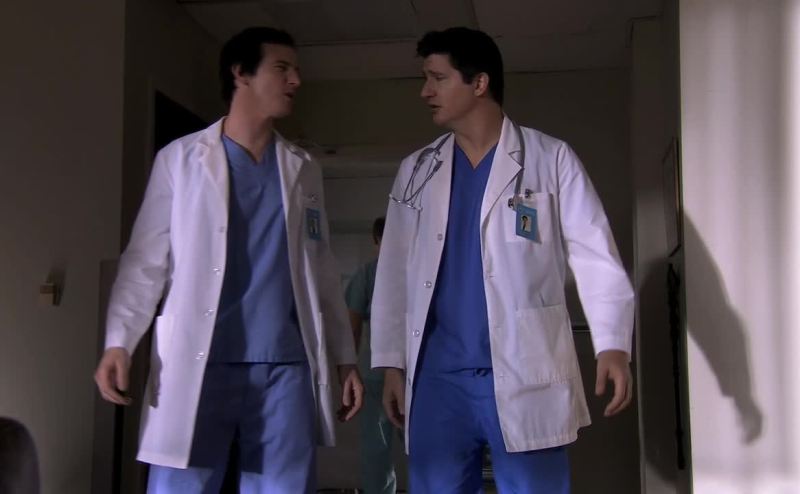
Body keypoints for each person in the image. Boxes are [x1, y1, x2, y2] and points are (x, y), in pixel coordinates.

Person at [93, 26, 363, 493]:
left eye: (296, 70)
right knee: (182, 486)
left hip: (285, 363)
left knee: (284, 487)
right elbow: (146, 261)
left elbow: (320, 269)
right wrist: (120, 341)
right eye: (282, 68)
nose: (295, 80)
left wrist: (343, 357)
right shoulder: (180, 160)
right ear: (241, 73)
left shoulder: (302, 169)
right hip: (203, 358)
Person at [371, 27, 635, 493]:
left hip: (524, 366)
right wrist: (392, 363)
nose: (425, 92)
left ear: (479, 83)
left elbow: (595, 255)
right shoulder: (417, 170)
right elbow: (393, 270)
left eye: (437, 78)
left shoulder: (550, 158)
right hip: (436, 378)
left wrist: (612, 343)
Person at [344, 217, 398, 494]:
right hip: (388, 375)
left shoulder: (369, 273)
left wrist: (348, 370)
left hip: (382, 372)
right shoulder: (370, 274)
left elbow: (351, 328)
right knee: (423, 450)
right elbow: (351, 328)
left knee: (378, 452)